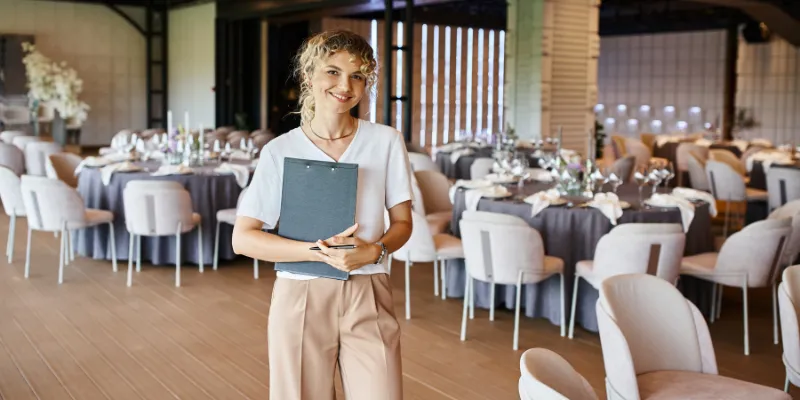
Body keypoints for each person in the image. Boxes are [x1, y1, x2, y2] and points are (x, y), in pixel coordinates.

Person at [232, 30, 413, 400]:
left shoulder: (386, 141)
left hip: (369, 290)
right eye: (332, 72)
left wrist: (374, 250)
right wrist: (317, 252)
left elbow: (403, 223)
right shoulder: (279, 151)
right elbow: (243, 237)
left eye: (357, 76)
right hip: (299, 293)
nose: (344, 85)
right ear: (308, 76)